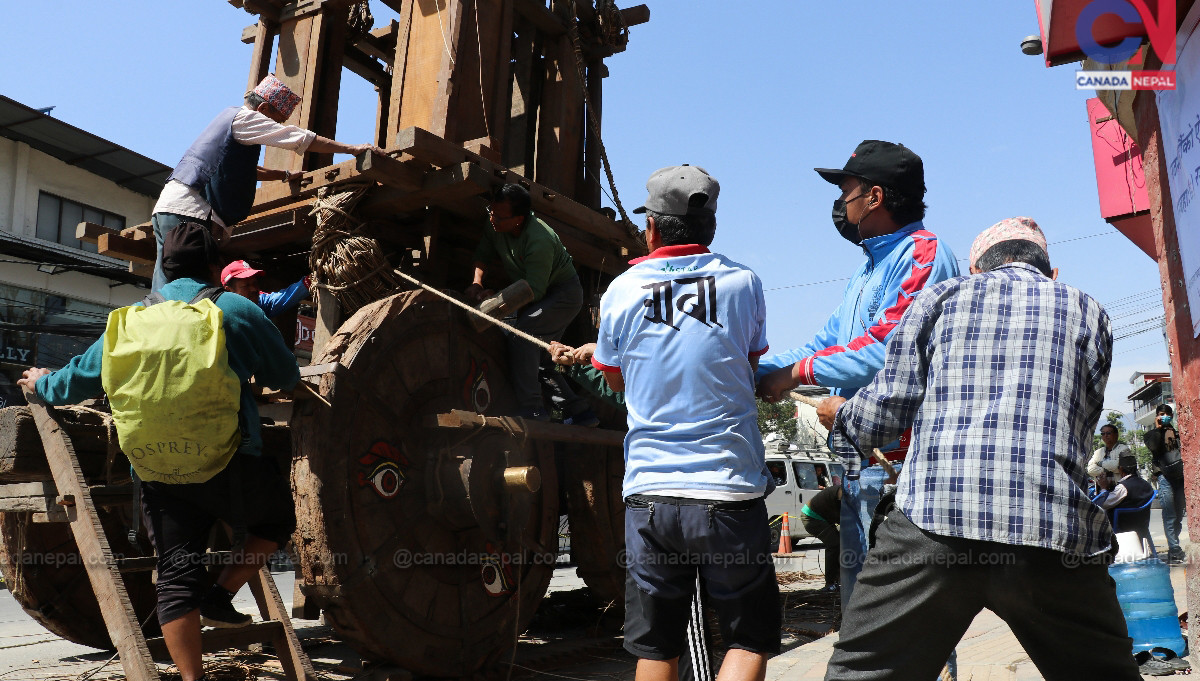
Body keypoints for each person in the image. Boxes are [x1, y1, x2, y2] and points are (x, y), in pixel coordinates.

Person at [820, 217, 1138, 680]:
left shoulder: (943, 297)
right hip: (1050, 532)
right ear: (1051, 272)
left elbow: (885, 412)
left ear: (976, 270)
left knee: (863, 672)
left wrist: (840, 415)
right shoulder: (1088, 309)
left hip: (932, 524)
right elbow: (1079, 429)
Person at [19, 222, 301, 681]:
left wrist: (39, 382)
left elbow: (72, 382)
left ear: (163, 269)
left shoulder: (128, 319)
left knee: (176, 577)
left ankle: (191, 678)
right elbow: (287, 375)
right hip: (228, 463)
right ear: (215, 267)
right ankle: (221, 594)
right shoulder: (234, 308)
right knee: (277, 520)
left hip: (155, 469)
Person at [591, 165, 779, 681]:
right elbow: (748, 360)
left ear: (651, 227)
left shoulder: (621, 291)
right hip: (727, 491)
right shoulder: (744, 283)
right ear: (710, 227)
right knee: (747, 639)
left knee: (656, 648)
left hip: (650, 496)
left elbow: (615, 380)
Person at [756, 140, 959, 610]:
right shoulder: (867, 269)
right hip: (858, 464)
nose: (840, 202)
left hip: (901, 467)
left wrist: (791, 374)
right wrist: (752, 368)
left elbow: (888, 350)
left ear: (875, 197)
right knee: (863, 607)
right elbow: (820, 345)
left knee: (904, 613)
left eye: (846, 190)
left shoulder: (922, 255)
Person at [151, 74, 386, 292]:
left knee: (165, 280)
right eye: (277, 120)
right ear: (263, 108)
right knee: (189, 284)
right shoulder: (247, 118)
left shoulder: (230, 119)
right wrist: (352, 149)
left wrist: (283, 174)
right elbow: (299, 138)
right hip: (190, 211)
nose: (278, 127)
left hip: (169, 207)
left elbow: (241, 169)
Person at [466, 183, 597, 425]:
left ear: (519, 219)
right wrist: (477, 283)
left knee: (522, 336)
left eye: (499, 216)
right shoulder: (494, 223)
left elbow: (534, 290)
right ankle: (579, 412)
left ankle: (532, 409)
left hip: (562, 295)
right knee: (544, 359)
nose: (492, 219)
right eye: (491, 212)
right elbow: (483, 253)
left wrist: (496, 299)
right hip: (535, 291)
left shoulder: (540, 239)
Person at [1145, 404, 1186, 563]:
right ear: (1156, 416)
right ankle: (1174, 550)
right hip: (1164, 477)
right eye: (1161, 414)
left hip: (1180, 477)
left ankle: (1175, 546)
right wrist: (1158, 428)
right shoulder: (1151, 435)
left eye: (1167, 414)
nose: (1164, 416)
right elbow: (1154, 446)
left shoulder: (1176, 433)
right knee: (1169, 515)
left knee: (1178, 514)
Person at [1097, 456, 1155, 551]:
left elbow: (1103, 504)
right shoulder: (1147, 484)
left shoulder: (1123, 487)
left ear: (1120, 469)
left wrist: (1103, 488)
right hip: (1142, 525)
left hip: (1122, 526)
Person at [221, 259, 311, 319]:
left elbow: (285, 296)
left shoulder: (261, 302)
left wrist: (310, 281)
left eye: (254, 283)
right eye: (246, 285)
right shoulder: (218, 315)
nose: (253, 289)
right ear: (229, 290)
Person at [800, 485, 841, 590]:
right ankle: (830, 583)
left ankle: (839, 578)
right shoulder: (843, 492)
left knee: (842, 542)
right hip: (812, 517)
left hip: (824, 517)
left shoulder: (847, 492)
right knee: (834, 544)